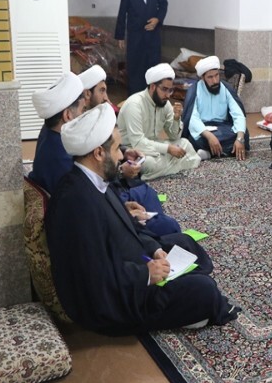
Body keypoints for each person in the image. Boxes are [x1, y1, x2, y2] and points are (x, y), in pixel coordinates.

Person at [45, 103, 239, 335]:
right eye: (116, 149)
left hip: (131, 264)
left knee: (185, 243)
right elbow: (93, 275)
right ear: (98, 153)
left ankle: (187, 296)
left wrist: (153, 249)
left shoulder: (93, 180)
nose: (121, 156)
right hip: (115, 300)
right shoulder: (75, 202)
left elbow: (125, 228)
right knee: (204, 289)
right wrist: (146, 274)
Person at [79, 64, 181, 237]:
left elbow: (108, 151)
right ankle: (149, 236)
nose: (107, 98)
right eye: (102, 91)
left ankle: (151, 231)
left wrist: (125, 152)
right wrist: (121, 171)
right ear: (88, 94)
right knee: (170, 227)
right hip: (109, 190)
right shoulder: (84, 126)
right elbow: (92, 174)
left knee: (149, 193)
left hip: (118, 182)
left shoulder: (98, 114)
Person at [117, 63, 200, 180]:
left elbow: (174, 136)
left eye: (170, 90)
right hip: (134, 151)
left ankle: (165, 169)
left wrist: (176, 118)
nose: (168, 95)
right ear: (152, 87)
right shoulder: (134, 105)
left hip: (155, 147)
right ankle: (178, 165)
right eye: (164, 89)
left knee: (185, 143)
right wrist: (168, 149)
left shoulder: (165, 103)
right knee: (148, 163)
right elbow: (138, 143)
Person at [115, 0, 168, 96]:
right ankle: (135, 99)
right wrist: (120, 36)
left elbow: (163, 4)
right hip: (136, 36)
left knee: (153, 68)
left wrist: (157, 19)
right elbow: (122, 12)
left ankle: (154, 98)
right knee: (136, 68)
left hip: (153, 36)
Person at [181, 56, 249, 161]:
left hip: (223, 128)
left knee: (244, 135)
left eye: (217, 75)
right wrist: (209, 136)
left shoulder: (226, 88)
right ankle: (225, 151)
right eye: (210, 77)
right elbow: (192, 119)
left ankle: (209, 153)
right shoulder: (194, 90)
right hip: (203, 129)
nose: (215, 80)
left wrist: (240, 138)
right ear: (202, 78)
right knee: (194, 140)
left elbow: (238, 114)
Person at [28, 72, 86, 194]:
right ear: (67, 115)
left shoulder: (48, 131)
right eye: (82, 110)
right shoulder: (61, 156)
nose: (83, 116)